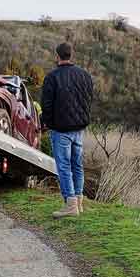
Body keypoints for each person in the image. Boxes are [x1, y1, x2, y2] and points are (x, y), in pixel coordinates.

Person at [40, 42, 93, 218]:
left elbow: (46, 106)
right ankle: (78, 201)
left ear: (57, 56)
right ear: (71, 55)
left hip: (61, 129)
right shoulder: (85, 75)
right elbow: (88, 99)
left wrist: (45, 123)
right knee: (77, 165)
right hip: (79, 128)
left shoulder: (52, 77)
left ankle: (70, 204)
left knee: (63, 167)